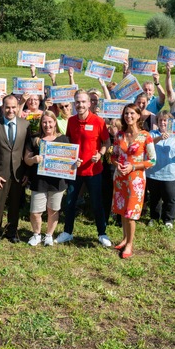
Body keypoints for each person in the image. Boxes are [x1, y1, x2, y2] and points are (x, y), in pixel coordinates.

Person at [56, 90, 112, 247]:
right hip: (75, 170)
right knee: (70, 202)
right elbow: (68, 143)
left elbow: (106, 143)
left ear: (89, 103)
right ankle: (67, 232)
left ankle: (102, 233)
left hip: (94, 170)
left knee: (96, 203)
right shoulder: (72, 121)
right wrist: (71, 158)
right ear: (75, 104)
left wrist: (100, 154)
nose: (80, 105)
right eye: (77, 102)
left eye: (83, 102)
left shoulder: (98, 121)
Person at [111, 104, 156, 258]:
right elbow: (113, 156)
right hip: (120, 178)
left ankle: (130, 244)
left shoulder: (145, 136)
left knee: (130, 213)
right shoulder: (119, 135)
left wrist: (134, 166)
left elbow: (152, 160)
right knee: (123, 210)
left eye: (131, 114)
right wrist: (116, 164)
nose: (128, 116)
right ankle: (124, 238)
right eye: (126, 114)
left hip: (135, 180)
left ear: (138, 116)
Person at [0, 94, 29, 243]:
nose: (10, 110)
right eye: (7, 107)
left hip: (18, 173)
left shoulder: (25, 125)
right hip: (1, 173)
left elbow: (27, 151)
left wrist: (27, 173)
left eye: (13, 107)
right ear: (2, 107)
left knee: (15, 204)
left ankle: (12, 231)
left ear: (17, 108)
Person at [24, 111, 71, 246]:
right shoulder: (35, 139)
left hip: (57, 182)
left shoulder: (64, 139)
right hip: (39, 182)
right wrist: (33, 159)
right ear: (41, 124)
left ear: (55, 122)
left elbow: (69, 160)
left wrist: (75, 163)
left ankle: (49, 235)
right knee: (35, 211)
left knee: (53, 210)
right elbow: (26, 160)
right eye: (44, 122)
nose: (47, 125)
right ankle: (36, 234)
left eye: (50, 122)